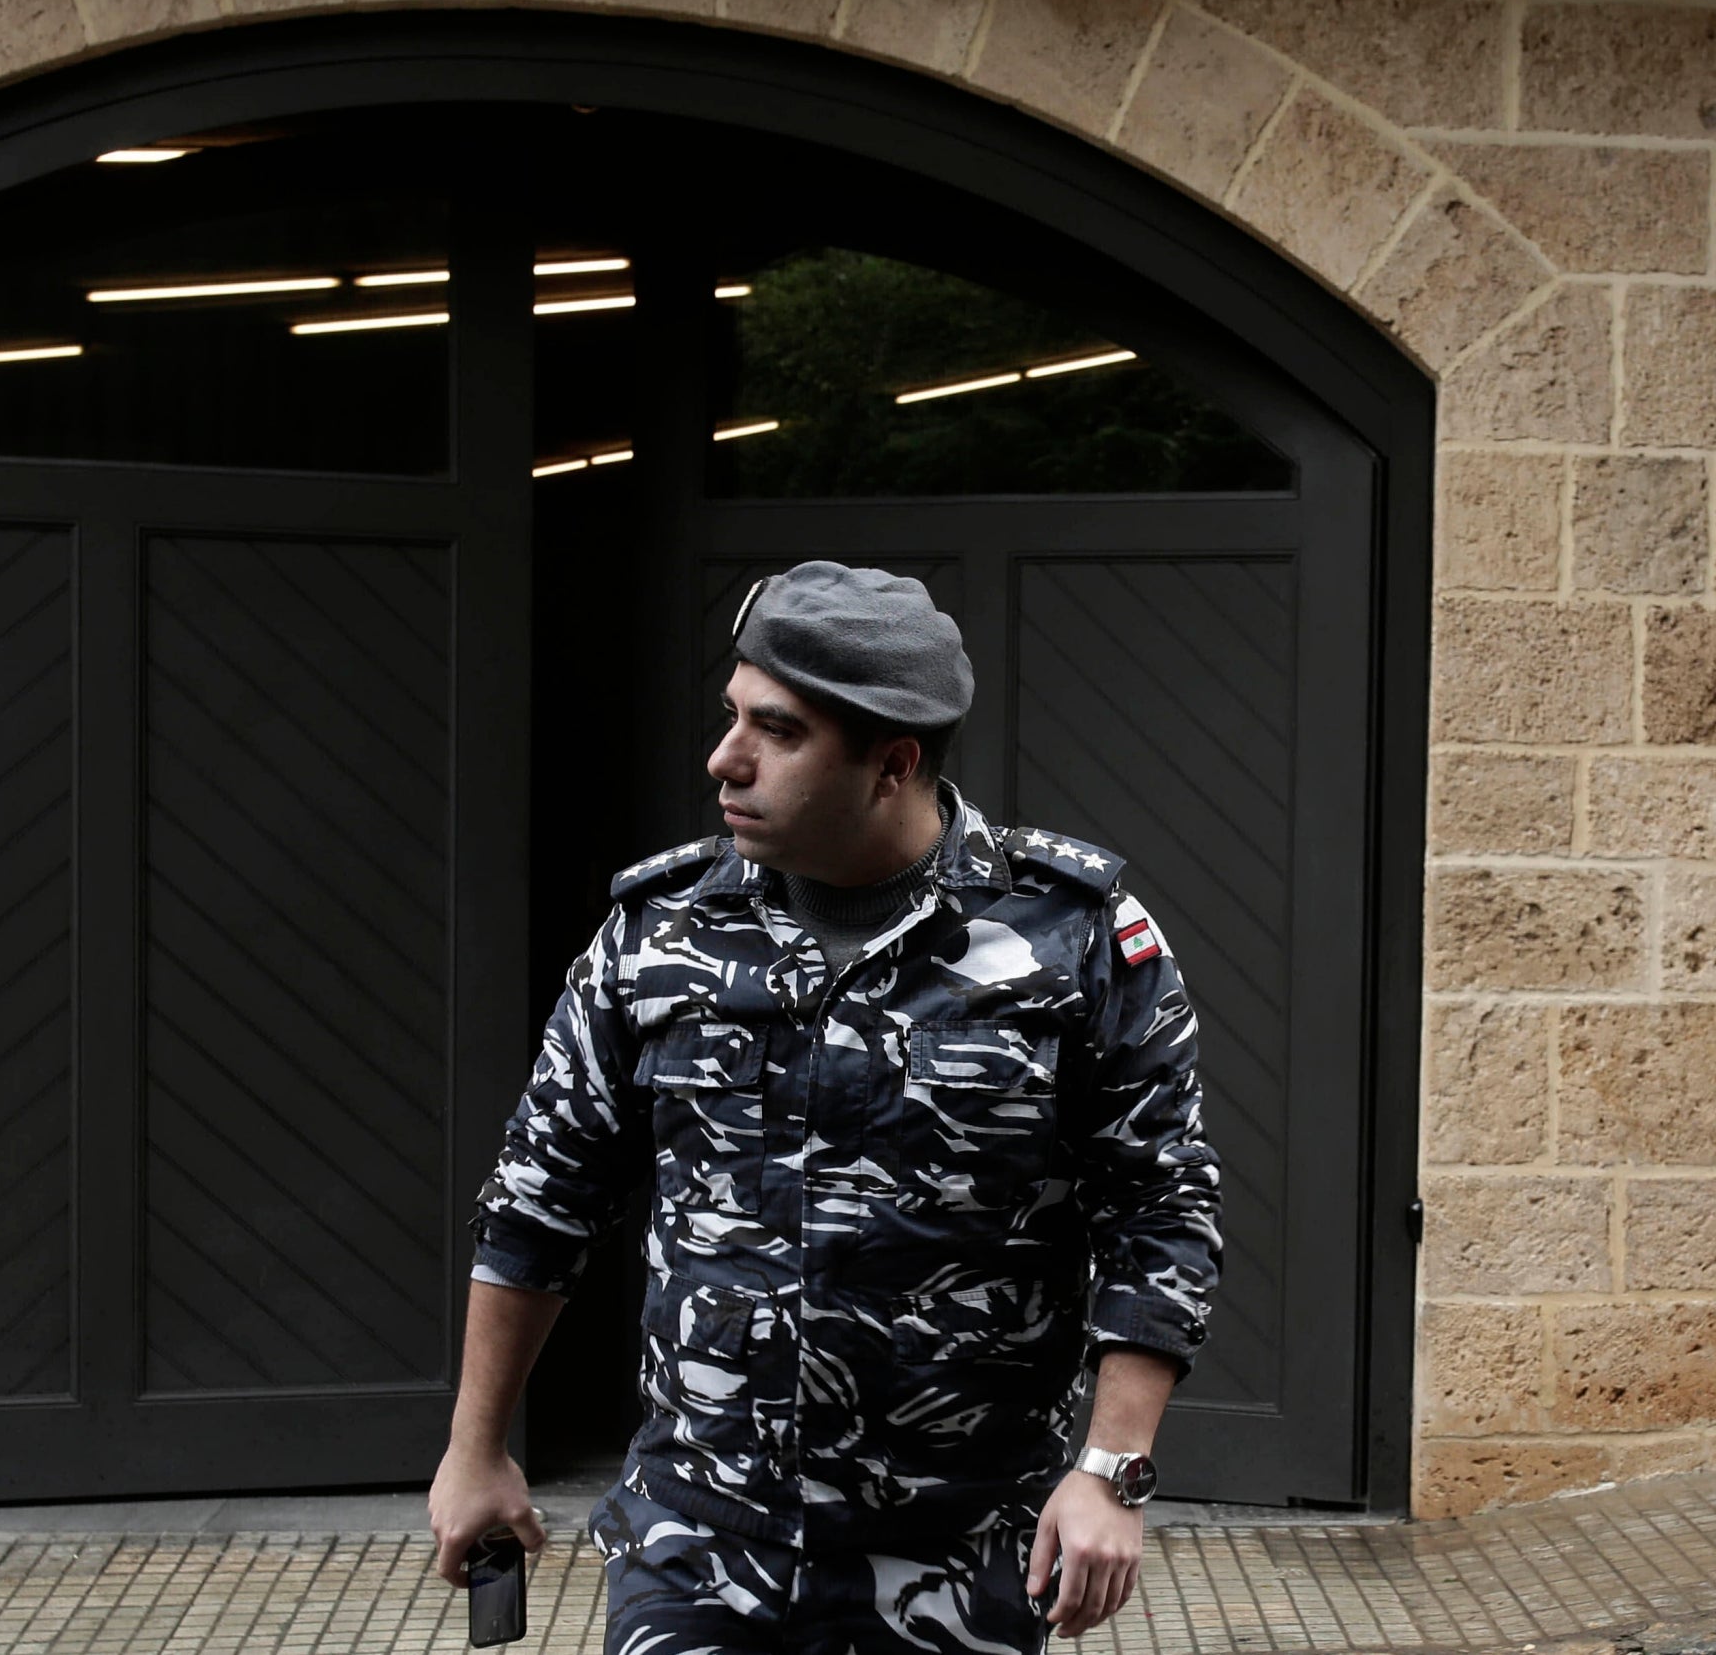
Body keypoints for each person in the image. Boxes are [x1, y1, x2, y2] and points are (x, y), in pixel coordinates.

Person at [427, 560, 1222, 1652]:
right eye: (731, 717)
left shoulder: (1074, 938)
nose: (725, 758)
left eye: (777, 730)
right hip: (701, 1540)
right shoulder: (660, 934)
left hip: (957, 1556)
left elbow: (1159, 1209)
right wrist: (476, 1445)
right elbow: (540, 1197)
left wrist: (1111, 1471)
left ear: (891, 762)